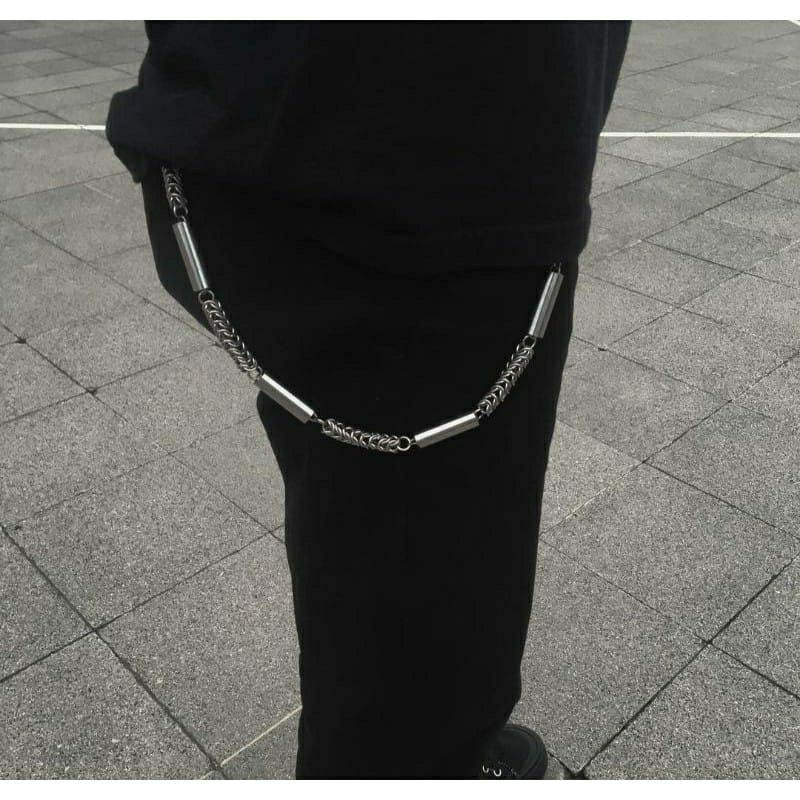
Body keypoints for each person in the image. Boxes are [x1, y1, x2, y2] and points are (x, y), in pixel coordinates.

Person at [107, 21, 630, 779]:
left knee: (381, 531)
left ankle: (433, 737)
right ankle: (424, 754)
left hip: (268, 134)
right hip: (439, 186)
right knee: (424, 570)